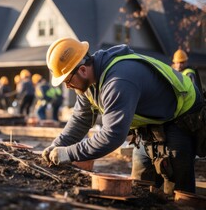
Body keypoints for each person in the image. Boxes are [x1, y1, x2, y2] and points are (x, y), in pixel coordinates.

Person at [42, 37, 205, 195]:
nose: (67, 86)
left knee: (176, 188)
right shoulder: (87, 81)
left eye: (67, 81)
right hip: (150, 120)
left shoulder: (118, 81)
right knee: (140, 185)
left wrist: (68, 153)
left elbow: (112, 136)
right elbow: (80, 120)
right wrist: (56, 146)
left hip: (180, 116)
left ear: (82, 70)